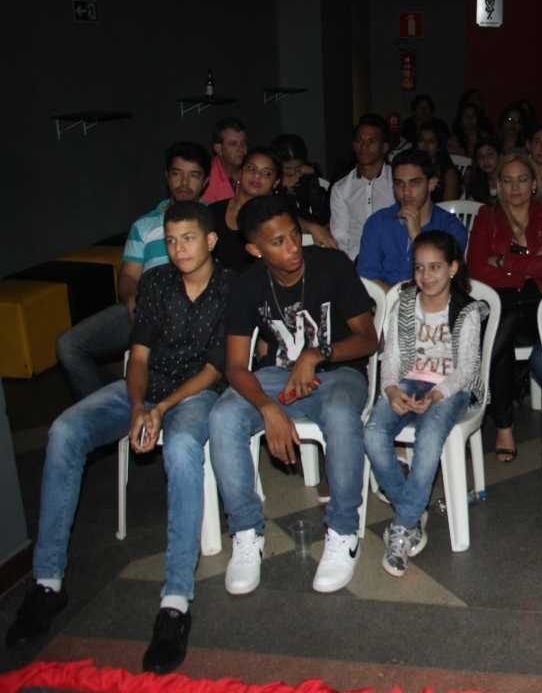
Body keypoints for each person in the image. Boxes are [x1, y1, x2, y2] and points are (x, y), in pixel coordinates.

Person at [6, 202, 231, 675]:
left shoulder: (231, 287)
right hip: (145, 389)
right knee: (65, 430)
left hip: (195, 394)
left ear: (211, 241)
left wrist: (162, 409)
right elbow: (140, 357)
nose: (177, 249)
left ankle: (176, 601)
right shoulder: (156, 283)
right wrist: (137, 407)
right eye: (170, 240)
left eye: (188, 238)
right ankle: (47, 582)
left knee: (183, 449)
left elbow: (215, 369)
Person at [209, 195, 378, 595]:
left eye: (294, 235)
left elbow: (370, 339)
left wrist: (317, 354)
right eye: (278, 242)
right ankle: (246, 533)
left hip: (339, 374)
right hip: (276, 378)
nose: (293, 248)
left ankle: (343, 532)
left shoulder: (332, 265)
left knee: (340, 415)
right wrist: (268, 408)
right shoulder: (248, 284)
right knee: (223, 416)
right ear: (255, 249)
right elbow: (236, 366)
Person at [365, 231, 487, 578]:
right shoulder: (404, 304)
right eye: (419, 267)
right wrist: (391, 389)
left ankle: (403, 527)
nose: (426, 275)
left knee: (430, 438)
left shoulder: (466, 310)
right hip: (408, 380)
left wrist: (437, 394)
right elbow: (391, 356)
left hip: (450, 389)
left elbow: (466, 370)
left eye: (435, 267)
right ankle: (412, 508)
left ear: (453, 268)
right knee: (372, 434)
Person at [56, 142, 211, 400]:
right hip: (145, 308)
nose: (184, 183)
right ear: (167, 177)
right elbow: (128, 276)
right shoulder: (145, 225)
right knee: (69, 345)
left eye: (193, 175)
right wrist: (131, 298)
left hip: (197, 314)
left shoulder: (213, 220)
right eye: (177, 174)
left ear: (205, 182)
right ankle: (105, 409)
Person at [467, 151, 542, 461]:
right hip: (501, 303)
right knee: (502, 324)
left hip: (541, 304)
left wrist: (504, 261)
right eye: (507, 181)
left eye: (522, 180)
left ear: (534, 184)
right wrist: (529, 260)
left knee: (497, 330)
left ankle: (475, 379)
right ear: (498, 185)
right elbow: (477, 269)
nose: (515, 187)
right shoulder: (487, 216)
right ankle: (504, 426)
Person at [357, 149, 468, 291]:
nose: (406, 192)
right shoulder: (377, 222)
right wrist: (398, 301)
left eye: (414, 183)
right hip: (383, 302)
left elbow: (444, 284)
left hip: (432, 302)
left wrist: (417, 236)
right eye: (399, 184)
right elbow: (367, 277)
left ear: (431, 184)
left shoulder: (451, 228)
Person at [330, 114, 395, 260]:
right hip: (355, 261)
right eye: (359, 141)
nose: (364, 146)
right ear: (353, 145)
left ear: (384, 147)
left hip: (392, 259)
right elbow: (340, 236)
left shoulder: (396, 181)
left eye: (371, 141)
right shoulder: (341, 188)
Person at [209, 148, 281, 271]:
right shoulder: (213, 211)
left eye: (267, 173)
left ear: (276, 182)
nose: (257, 176)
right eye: (251, 169)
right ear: (240, 173)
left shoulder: (276, 220)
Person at [270, 134, 334, 247]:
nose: (293, 172)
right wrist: (280, 186)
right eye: (287, 168)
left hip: (316, 237)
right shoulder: (271, 185)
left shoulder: (309, 179)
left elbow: (323, 212)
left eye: (298, 167)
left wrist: (313, 173)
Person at [203, 118, 247, 204]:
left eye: (243, 143)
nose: (241, 149)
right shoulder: (206, 178)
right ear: (218, 149)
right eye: (233, 144)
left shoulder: (252, 173)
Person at [416, 121, 463, 201]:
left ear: (438, 146)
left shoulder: (449, 172)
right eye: (421, 140)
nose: (425, 145)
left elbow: (447, 205)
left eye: (431, 141)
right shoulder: (411, 165)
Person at [464, 137, 500, 203]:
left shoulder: (508, 179)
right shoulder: (475, 180)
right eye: (480, 156)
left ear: (499, 155)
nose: (485, 160)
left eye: (490, 154)